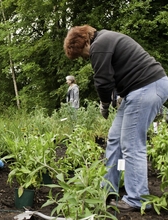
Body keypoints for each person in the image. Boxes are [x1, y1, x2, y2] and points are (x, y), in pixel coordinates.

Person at [64, 25, 168, 212]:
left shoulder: (99, 45)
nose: (85, 57)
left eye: (82, 54)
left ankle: (137, 198)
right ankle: (108, 189)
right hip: (136, 91)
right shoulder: (105, 40)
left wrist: (105, 105)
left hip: (147, 87)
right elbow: (117, 75)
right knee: (114, 139)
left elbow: (103, 81)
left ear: (85, 42)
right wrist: (118, 97)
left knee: (132, 144)